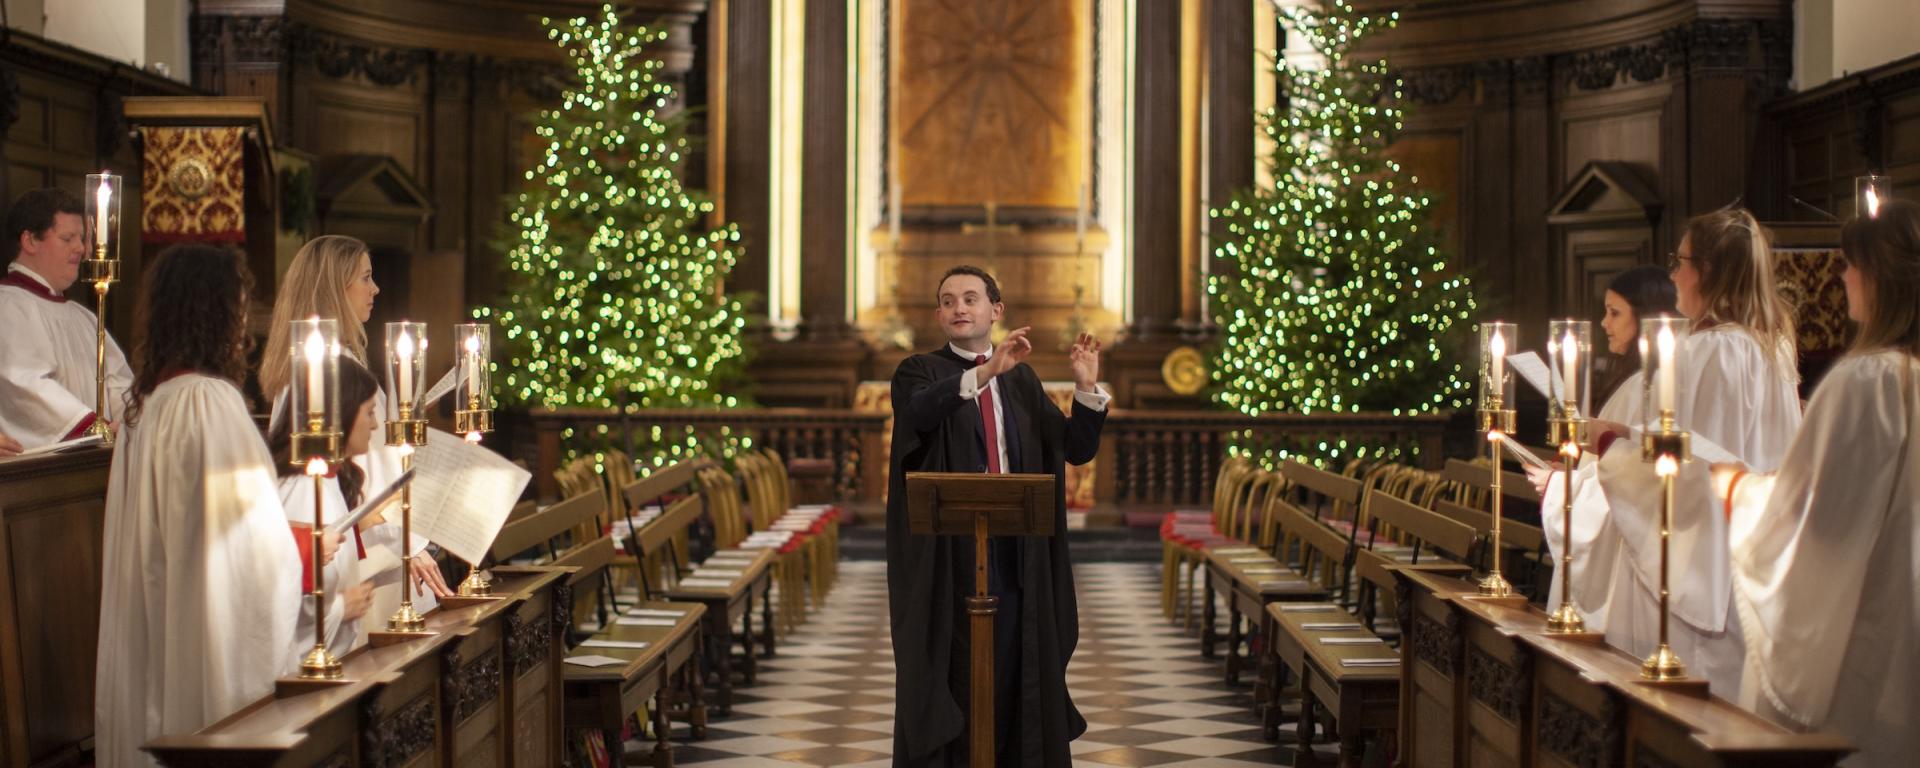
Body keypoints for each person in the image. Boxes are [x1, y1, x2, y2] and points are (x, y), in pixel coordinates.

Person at [1715, 199, 1919, 766]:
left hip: (1866, 634)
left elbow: (1813, 518)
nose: (1843, 275)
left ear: (1880, 277)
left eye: (1852, 264)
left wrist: (1737, 489)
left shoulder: (1867, 383)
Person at [886, 265, 1108, 767]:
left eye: (970, 298)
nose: (958, 308)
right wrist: (985, 373)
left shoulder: (1022, 381)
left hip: (1014, 553)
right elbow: (920, 413)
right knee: (955, 669)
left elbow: (1073, 449)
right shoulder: (918, 371)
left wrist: (1086, 387)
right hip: (949, 556)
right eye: (947, 301)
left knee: (1013, 666)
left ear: (996, 310)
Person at [95, 244, 301, 766]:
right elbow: (254, 554)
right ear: (214, 310)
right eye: (238, 302)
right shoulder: (209, 402)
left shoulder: (148, 405)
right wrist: (306, 550)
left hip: (167, 621)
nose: (243, 319)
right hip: (205, 635)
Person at [1591, 207, 1802, 696]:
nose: (1672, 274)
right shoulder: (1773, 347)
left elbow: (1689, 472)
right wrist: (1631, 435)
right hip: (1750, 567)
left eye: (1679, 261)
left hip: (1692, 575)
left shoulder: (1709, 352)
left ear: (1706, 271)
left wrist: (1606, 443)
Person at [260, 235, 452, 602]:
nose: (375, 288)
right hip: (365, 550)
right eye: (365, 277)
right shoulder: (333, 367)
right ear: (335, 287)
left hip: (349, 539)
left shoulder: (311, 360)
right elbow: (371, 470)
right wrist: (412, 543)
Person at [1529, 266, 1677, 636]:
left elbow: (1629, 484)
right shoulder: (1632, 382)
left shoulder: (1648, 388)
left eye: (1615, 312)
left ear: (1644, 317)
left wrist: (1560, 487)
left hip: (1623, 564)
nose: (1604, 323)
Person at [267, 357, 383, 669]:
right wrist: (341, 608)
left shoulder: (330, 480)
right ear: (343, 413)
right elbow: (279, 596)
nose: (375, 425)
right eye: (369, 412)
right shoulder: (302, 490)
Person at [0, 188, 134, 448]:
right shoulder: (9, 305)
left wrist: (132, 425)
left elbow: (117, 382)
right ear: (29, 241)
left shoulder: (83, 317)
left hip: (97, 458)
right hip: (39, 475)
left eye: (82, 238)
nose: (82, 248)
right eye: (67, 238)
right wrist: (92, 428)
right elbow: (24, 384)